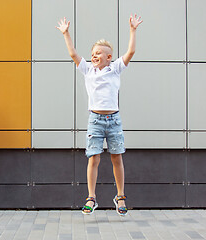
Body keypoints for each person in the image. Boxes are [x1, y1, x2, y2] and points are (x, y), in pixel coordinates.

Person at [56, 14, 142, 215]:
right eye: (92, 53)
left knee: (116, 158)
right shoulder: (88, 70)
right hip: (95, 120)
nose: (94, 56)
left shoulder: (115, 69)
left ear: (109, 57)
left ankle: (120, 196)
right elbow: (72, 53)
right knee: (93, 158)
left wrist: (133, 30)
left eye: (98, 53)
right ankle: (91, 197)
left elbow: (131, 51)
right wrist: (66, 33)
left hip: (114, 120)